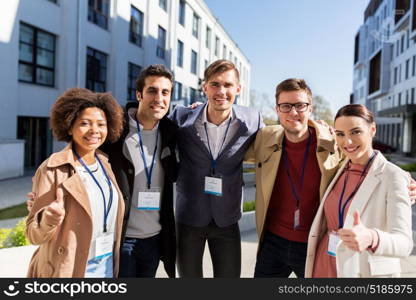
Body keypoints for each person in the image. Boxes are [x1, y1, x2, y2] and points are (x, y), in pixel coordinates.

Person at [169, 59, 263, 277]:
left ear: (238, 89)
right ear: (205, 88)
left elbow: (278, 140)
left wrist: (317, 129)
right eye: (215, 84)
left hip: (226, 219)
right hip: (189, 217)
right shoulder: (181, 117)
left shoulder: (252, 120)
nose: (222, 91)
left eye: (228, 85)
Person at [25, 88, 125, 277]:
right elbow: (33, 234)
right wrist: (48, 218)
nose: (94, 130)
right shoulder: (53, 168)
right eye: (85, 123)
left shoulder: (105, 163)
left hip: (106, 265)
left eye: (101, 124)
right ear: (70, 126)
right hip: (71, 268)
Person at [305, 104, 413, 277]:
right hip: (324, 262)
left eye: (355, 132)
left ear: (372, 129)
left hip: (361, 268)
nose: (347, 142)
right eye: (340, 134)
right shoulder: (339, 169)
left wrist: (372, 238)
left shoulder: (394, 176)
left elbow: (405, 243)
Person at [249, 79, 341, 278]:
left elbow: (363, 152)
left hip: (313, 243)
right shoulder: (264, 137)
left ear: (310, 108)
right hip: (272, 242)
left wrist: (403, 179)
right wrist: (202, 110)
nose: (293, 112)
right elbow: (227, 145)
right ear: (277, 110)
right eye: (286, 106)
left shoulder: (332, 143)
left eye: (300, 105)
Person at [101, 64, 178, 278]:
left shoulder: (171, 133)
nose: (159, 98)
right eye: (152, 90)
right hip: (123, 238)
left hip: (154, 240)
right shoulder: (115, 131)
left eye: (165, 92)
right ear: (139, 94)